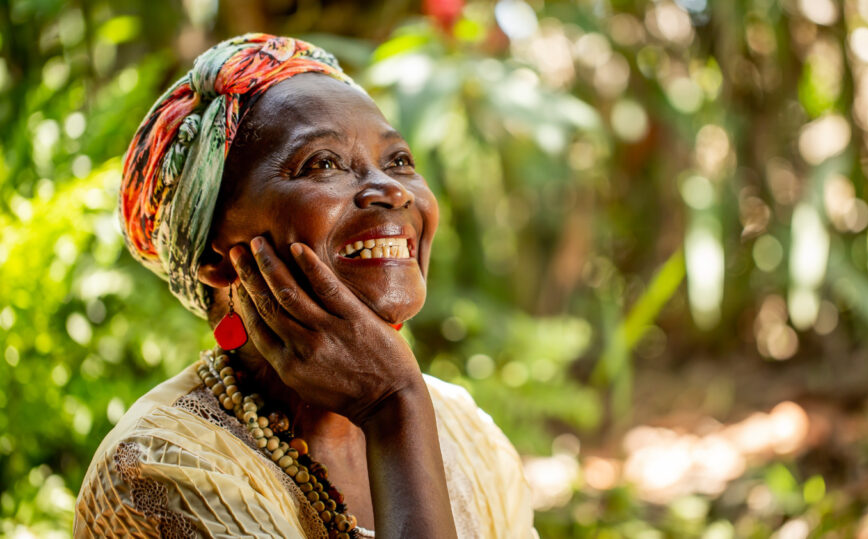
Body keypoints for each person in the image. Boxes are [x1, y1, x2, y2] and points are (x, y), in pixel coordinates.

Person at [73, 33, 536, 538]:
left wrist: (402, 404)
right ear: (215, 258)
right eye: (323, 163)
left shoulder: (465, 433)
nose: (393, 190)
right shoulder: (163, 469)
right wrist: (393, 407)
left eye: (399, 160)